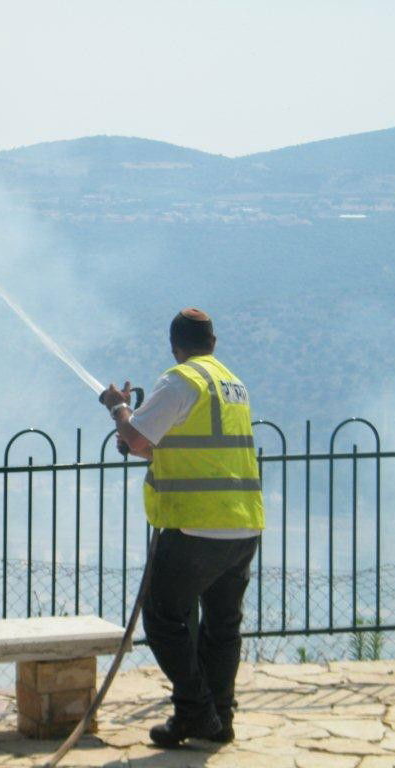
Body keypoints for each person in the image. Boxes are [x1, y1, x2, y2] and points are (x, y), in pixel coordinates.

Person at [99, 308, 264, 748]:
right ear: (213, 343)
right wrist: (131, 427)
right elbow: (160, 447)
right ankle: (220, 719)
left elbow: (136, 440)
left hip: (195, 526)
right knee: (222, 626)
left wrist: (118, 408)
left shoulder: (179, 380)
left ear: (176, 346)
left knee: (163, 618)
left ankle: (195, 711)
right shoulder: (233, 385)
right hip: (243, 523)